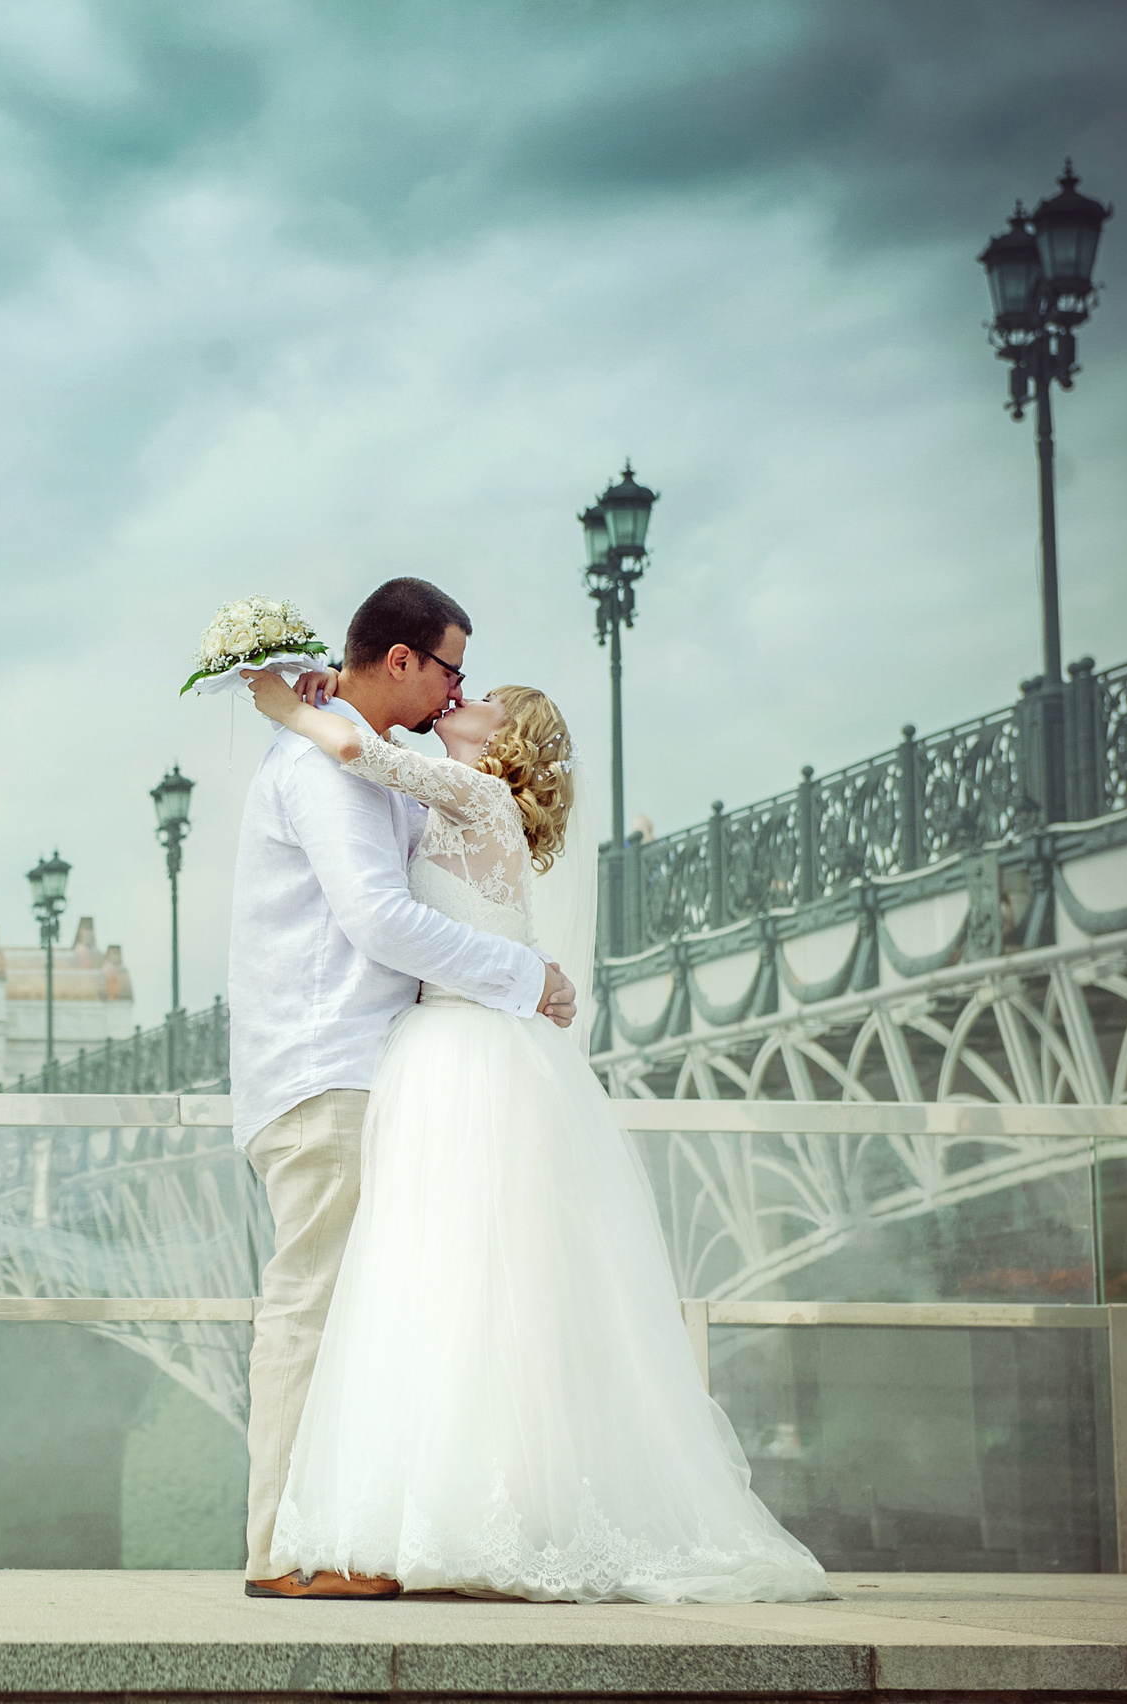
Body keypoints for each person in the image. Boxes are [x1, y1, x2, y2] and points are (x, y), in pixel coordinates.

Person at [244, 664, 831, 1603]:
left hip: (458, 1054)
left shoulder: (475, 794)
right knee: (464, 1289)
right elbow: (373, 754)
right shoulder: (465, 799)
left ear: (501, 740)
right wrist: (325, 692)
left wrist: (284, 708)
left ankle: (442, 1520)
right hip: (460, 1049)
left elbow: (357, 749)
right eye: (456, 683)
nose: (457, 701)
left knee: (454, 1284)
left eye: (478, 700)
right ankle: (469, 1515)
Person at [228, 577, 577, 1600]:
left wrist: (309, 701)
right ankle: (285, 1550)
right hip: (326, 1068)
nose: (457, 688)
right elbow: (379, 921)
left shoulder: (372, 763)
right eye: (451, 669)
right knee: (315, 1309)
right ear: (401, 662)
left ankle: (349, 1535)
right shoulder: (327, 770)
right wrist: (526, 979)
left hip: (366, 1070)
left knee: (365, 1314)